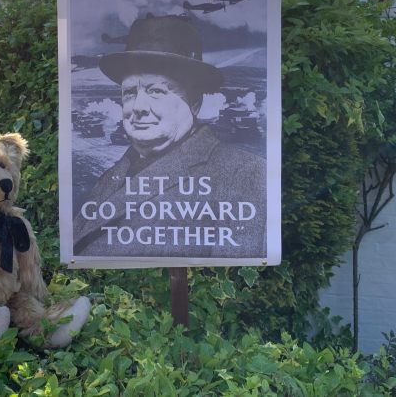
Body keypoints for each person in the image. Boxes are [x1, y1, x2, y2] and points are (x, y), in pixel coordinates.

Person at [73, 14, 266, 259]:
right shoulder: (112, 176)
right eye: (129, 92)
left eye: (156, 91)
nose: (138, 107)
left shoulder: (245, 173)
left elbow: (234, 276)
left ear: (194, 102)